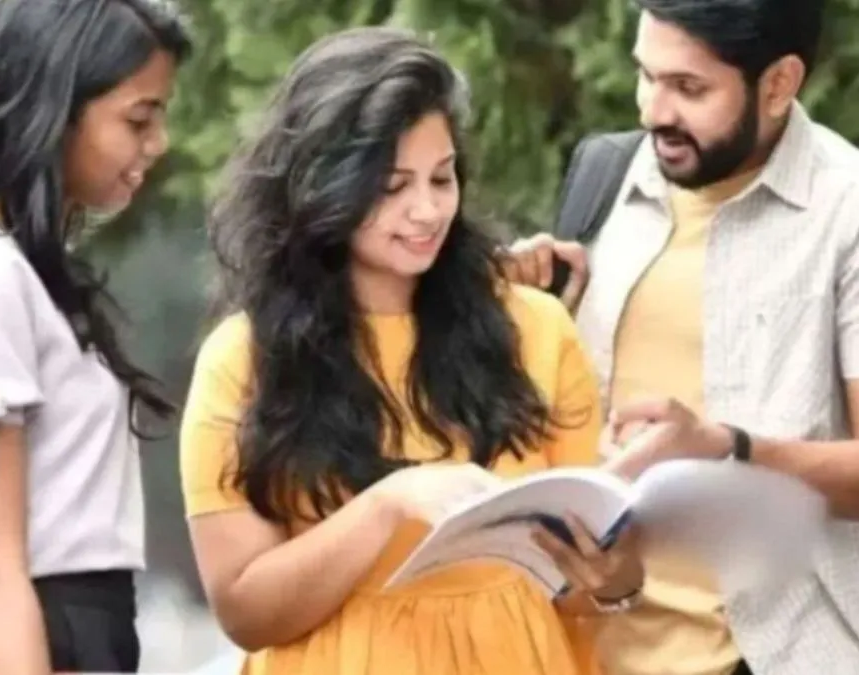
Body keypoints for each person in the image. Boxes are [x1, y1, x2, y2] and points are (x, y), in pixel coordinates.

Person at [178, 27, 644, 675]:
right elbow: (245, 610)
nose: (426, 210)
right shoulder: (244, 358)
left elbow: (584, 589)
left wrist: (616, 578)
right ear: (325, 185)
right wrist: (388, 503)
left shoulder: (535, 328)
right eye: (393, 186)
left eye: (441, 178)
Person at [506, 0, 859, 672]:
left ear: (779, 83)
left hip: (778, 653)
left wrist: (727, 449)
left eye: (689, 87)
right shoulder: (606, 179)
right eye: (646, 75)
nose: (654, 110)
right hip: (598, 648)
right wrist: (530, 309)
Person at [0, 0, 191, 673]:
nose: (158, 143)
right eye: (138, 119)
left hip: (78, 628)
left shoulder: (25, 275)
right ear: (53, 107)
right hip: (27, 633)